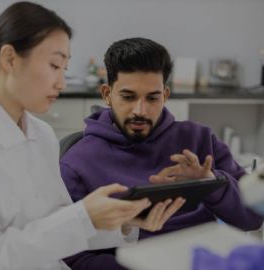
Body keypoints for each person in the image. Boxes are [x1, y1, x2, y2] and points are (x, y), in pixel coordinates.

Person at [0, 3, 185, 270]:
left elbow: (57, 222)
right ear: (9, 59)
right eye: (54, 66)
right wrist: (85, 217)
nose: (62, 83)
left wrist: (124, 220)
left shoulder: (41, 133)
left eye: (64, 69)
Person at [60, 37, 264, 269]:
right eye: (128, 97)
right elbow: (74, 258)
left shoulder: (199, 139)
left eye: (152, 98)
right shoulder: (77, 163)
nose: (140, 110)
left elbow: (252, 219)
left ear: (165, 95)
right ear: (107, 94)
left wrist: (211, 184)